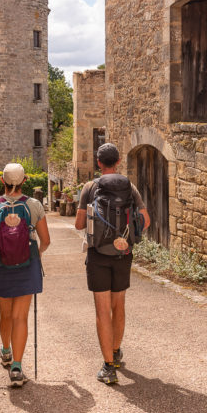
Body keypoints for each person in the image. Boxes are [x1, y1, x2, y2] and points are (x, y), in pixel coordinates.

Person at [74, 143, 151, 384]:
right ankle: (116, 352)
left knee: (102, 311)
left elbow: (78, 224)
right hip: (123, 253)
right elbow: (145, 220)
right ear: (118, 162)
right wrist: (126, 235)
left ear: (99, 163)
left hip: (97, 254)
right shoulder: (129, 187)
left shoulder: (90, 187)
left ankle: (108, 367)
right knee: (119, 306)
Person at [0, 162, 51, 387]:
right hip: (27, 267)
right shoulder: (34, 205)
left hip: (1, 266)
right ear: (25, 181)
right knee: (21, 317)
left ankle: (6, 352)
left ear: (2, 181)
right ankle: (17, 368)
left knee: (5, 315)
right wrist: (35, 254)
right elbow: (46, 241)